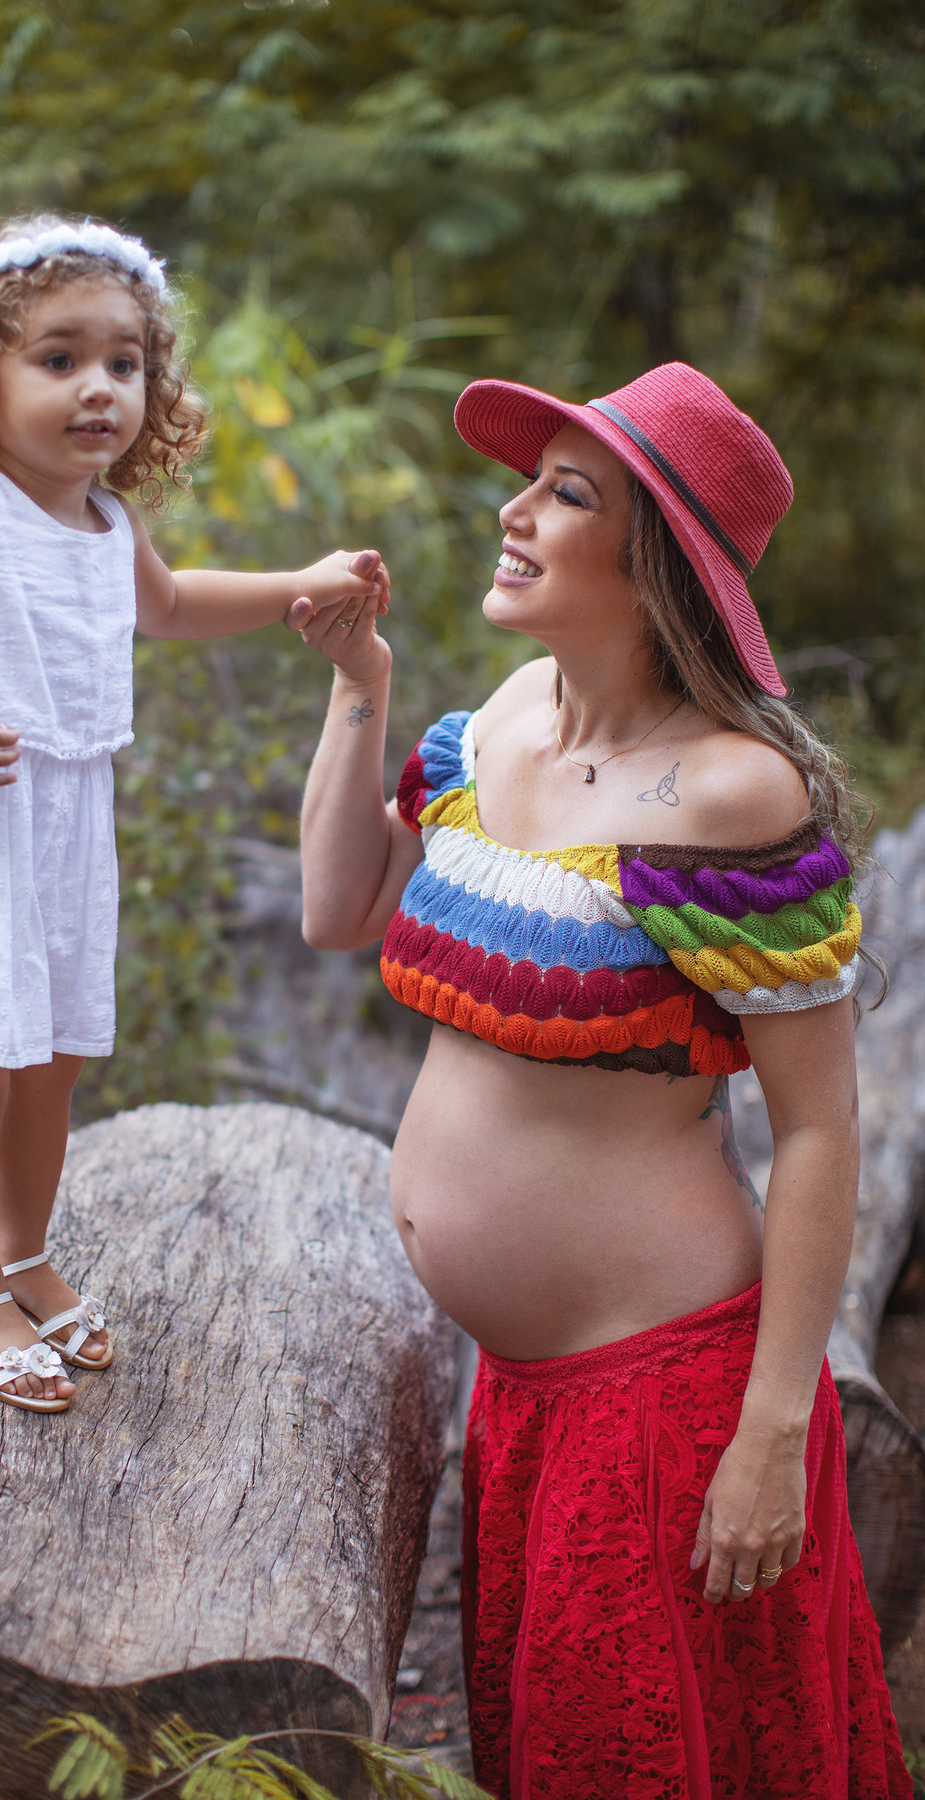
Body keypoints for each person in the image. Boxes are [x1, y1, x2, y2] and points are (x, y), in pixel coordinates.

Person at [295, 362, 911, 1797]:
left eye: (565, 493)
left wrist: (771, 1432)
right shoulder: (504, 712)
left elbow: (818, 1129)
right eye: (529, 481)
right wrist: (360, 687)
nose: (512, 513)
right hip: (523, 1393)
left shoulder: (725, 797)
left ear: (661, 567)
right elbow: (340, 908)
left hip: (666, 1400)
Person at [0, 214, 385, 1415]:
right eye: (58, 360)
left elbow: (178, 606)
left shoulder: (108, 525)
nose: (97, 387)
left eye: (124, 362)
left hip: (54, 826)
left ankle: (28, 1252)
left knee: (51, 1067)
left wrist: (306, 585)